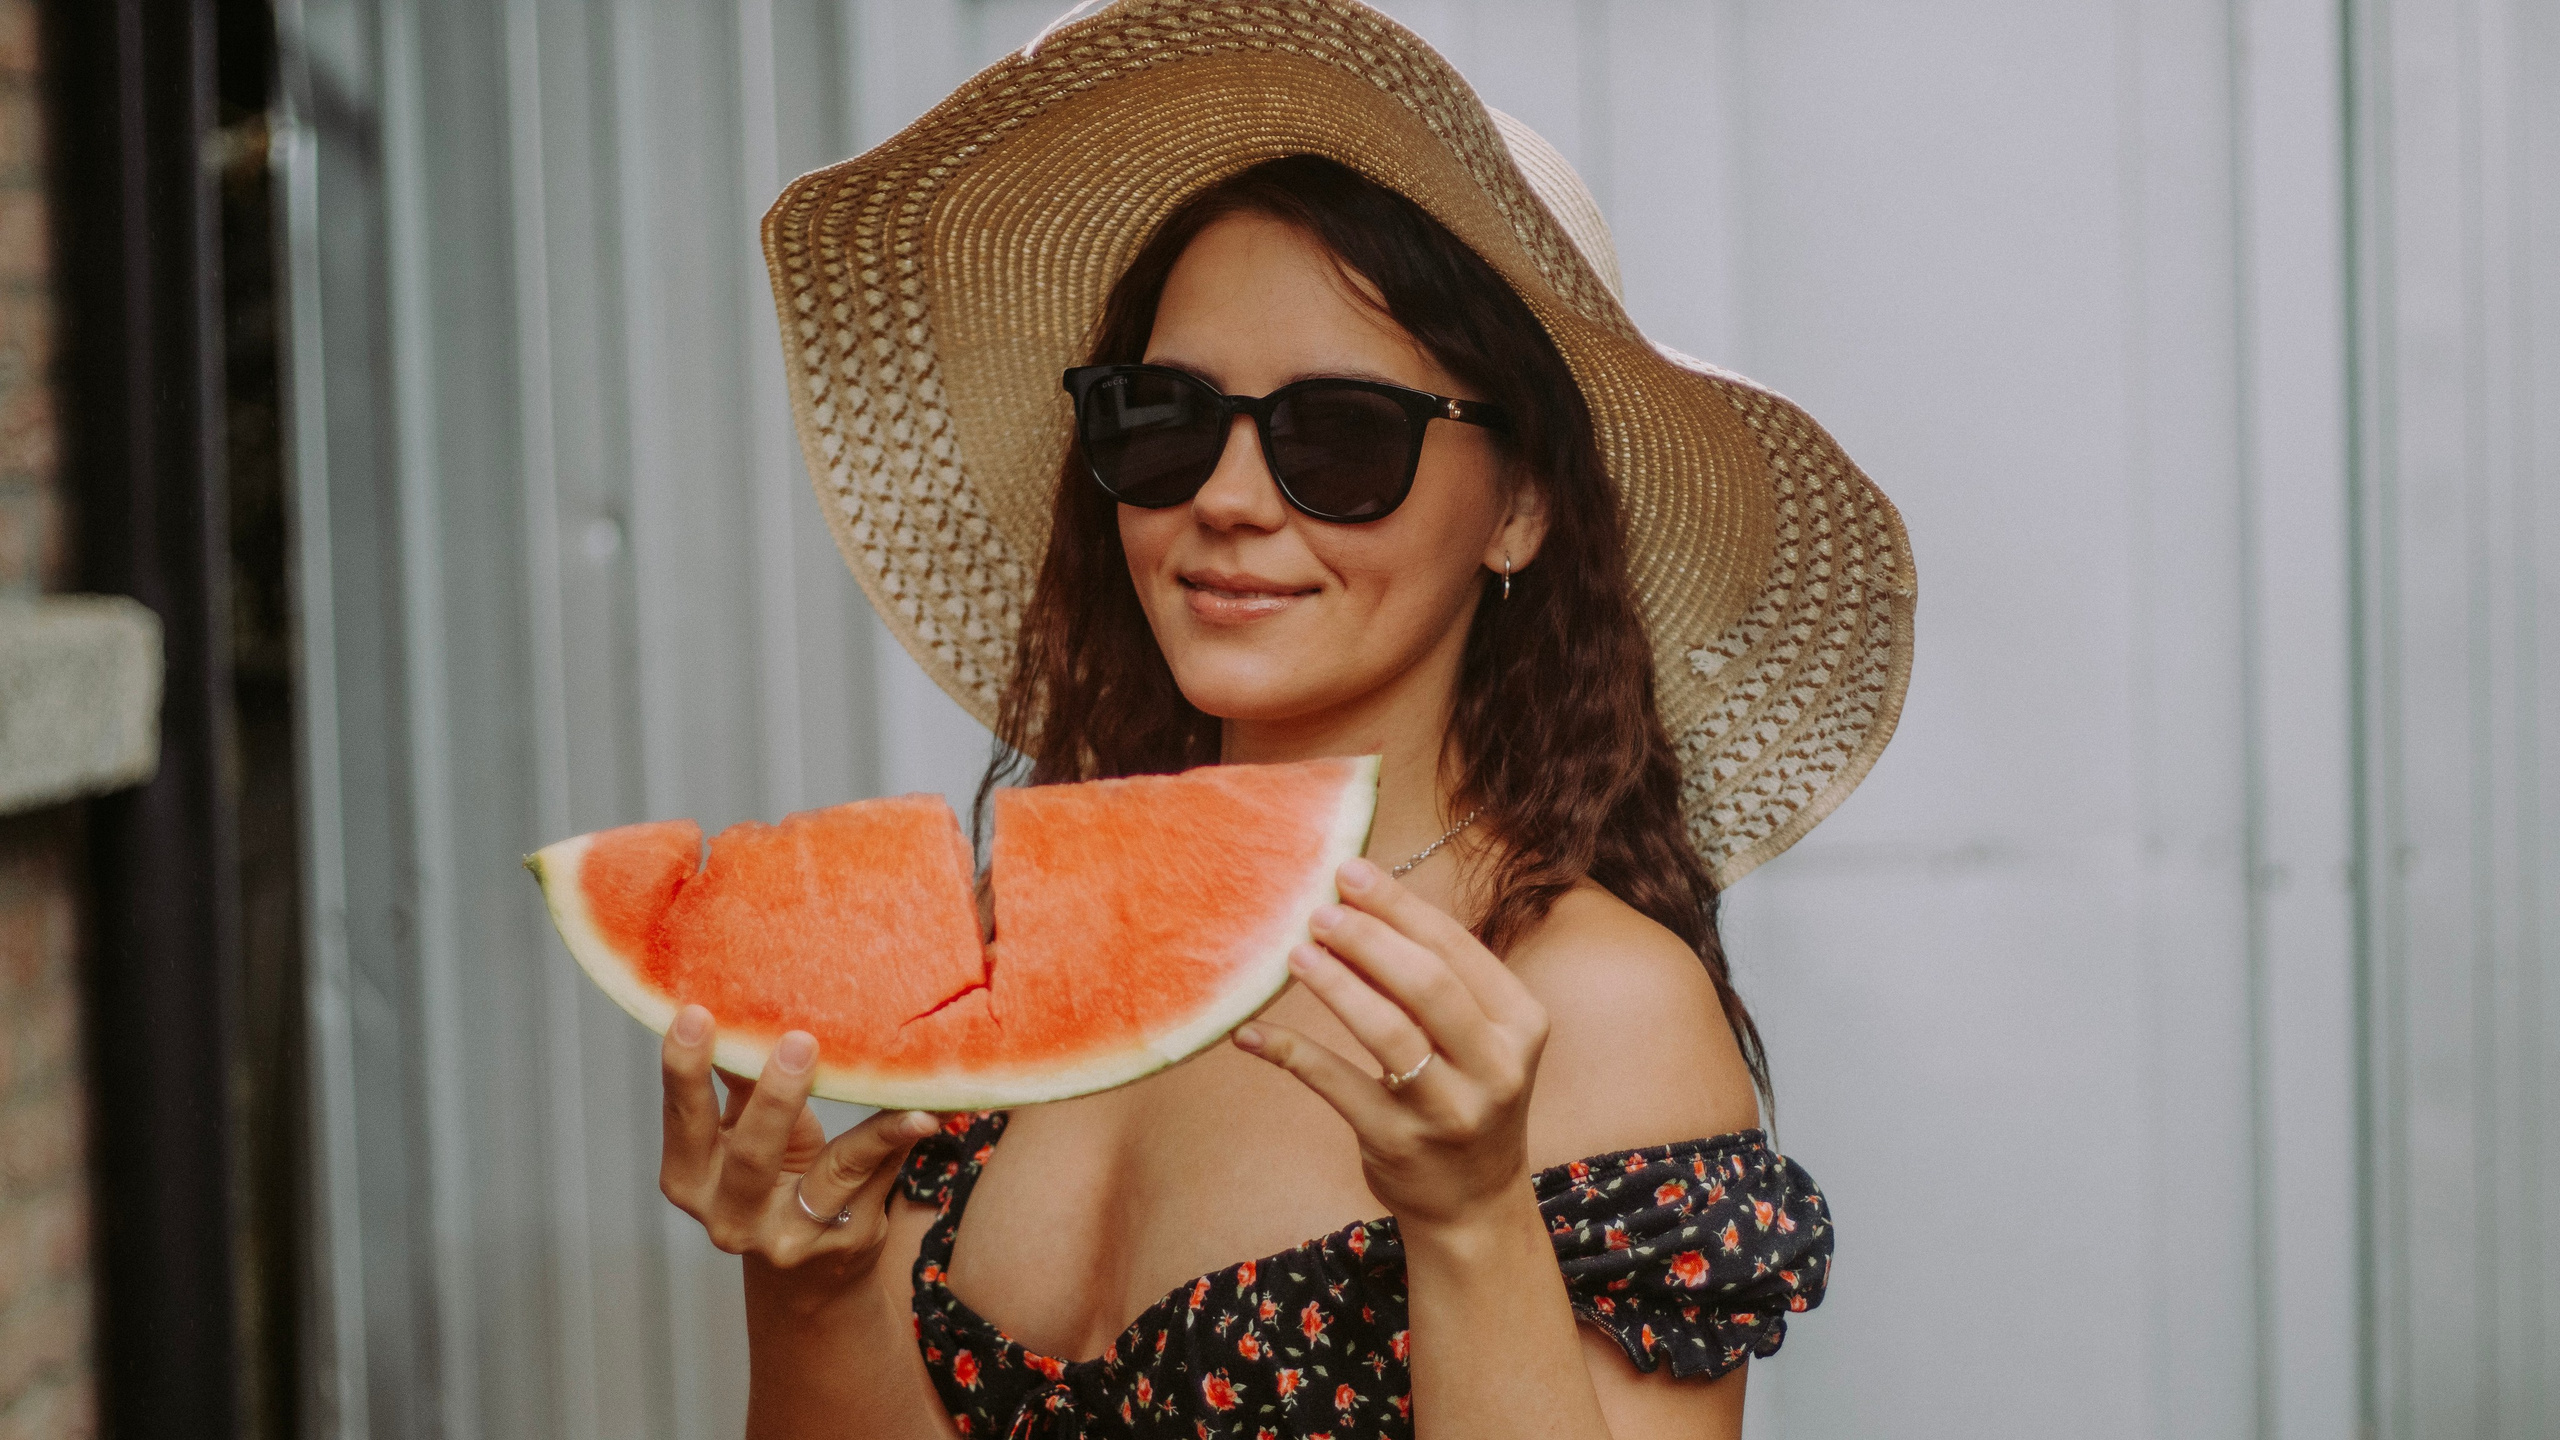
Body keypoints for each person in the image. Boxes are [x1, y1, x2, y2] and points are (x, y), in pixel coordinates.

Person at [656, 3, 1912, 1436]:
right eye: (1164, 422)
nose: (1230, 500)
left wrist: (1468, 1218)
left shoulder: (1596, 1008)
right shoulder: (1017, 951)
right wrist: (808, 1288)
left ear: (1518, 506)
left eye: (1339, 436)